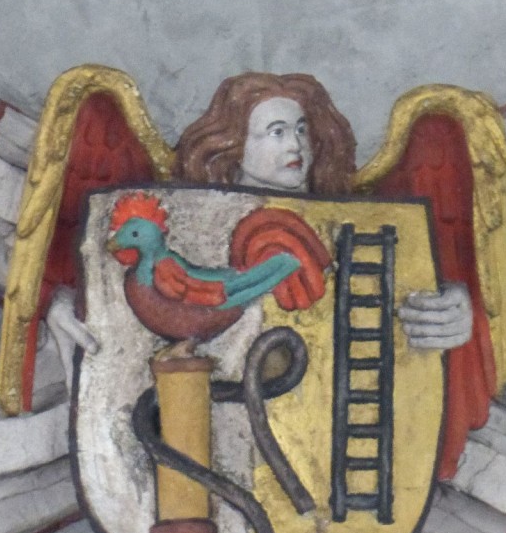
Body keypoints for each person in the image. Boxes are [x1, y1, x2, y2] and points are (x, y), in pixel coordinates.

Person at [173, 72, 472, 350]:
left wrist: (450, 307)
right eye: (277, 132)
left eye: (301, 130)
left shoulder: (358, 221)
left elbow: (404, 290)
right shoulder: (197, 226)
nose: (296, 145)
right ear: (234, 145)